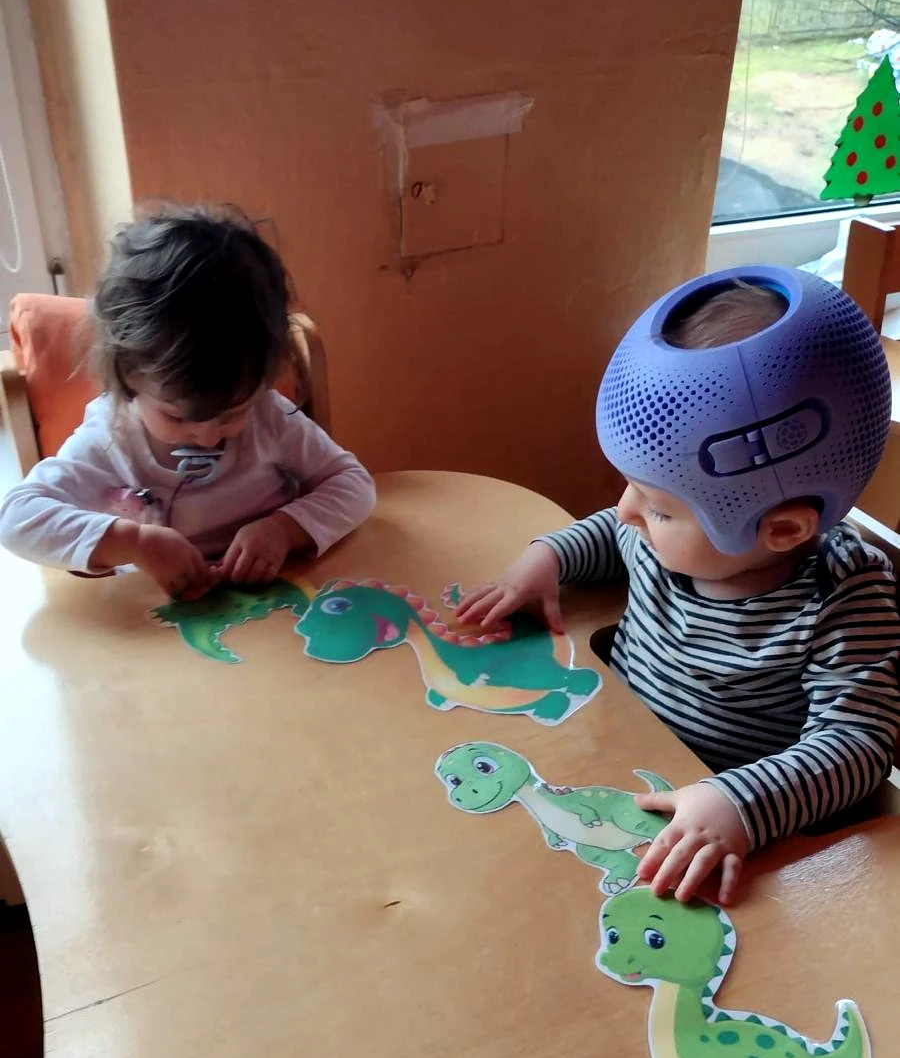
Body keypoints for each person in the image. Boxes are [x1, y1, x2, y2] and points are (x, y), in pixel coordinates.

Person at [458, 269, 900, 907]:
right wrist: (548, 557)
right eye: (632, 487)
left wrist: (740, 804)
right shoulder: (666, 538)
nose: (627, 510)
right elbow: (612, 533)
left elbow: (857, 746)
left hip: (717, 832)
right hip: (610, 758)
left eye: (660, 507)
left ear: (780, 529)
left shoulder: (844, 598)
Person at [0, 204, 375, 598]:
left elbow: (353, 484)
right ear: (128, 377)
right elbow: (15, 518)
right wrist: (133, 543)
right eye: (177, 417)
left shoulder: (270, 417)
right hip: (164, 615)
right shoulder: (111, 439)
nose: (209, 438)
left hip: (279, 598)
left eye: (232, 413)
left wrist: (284, 529)